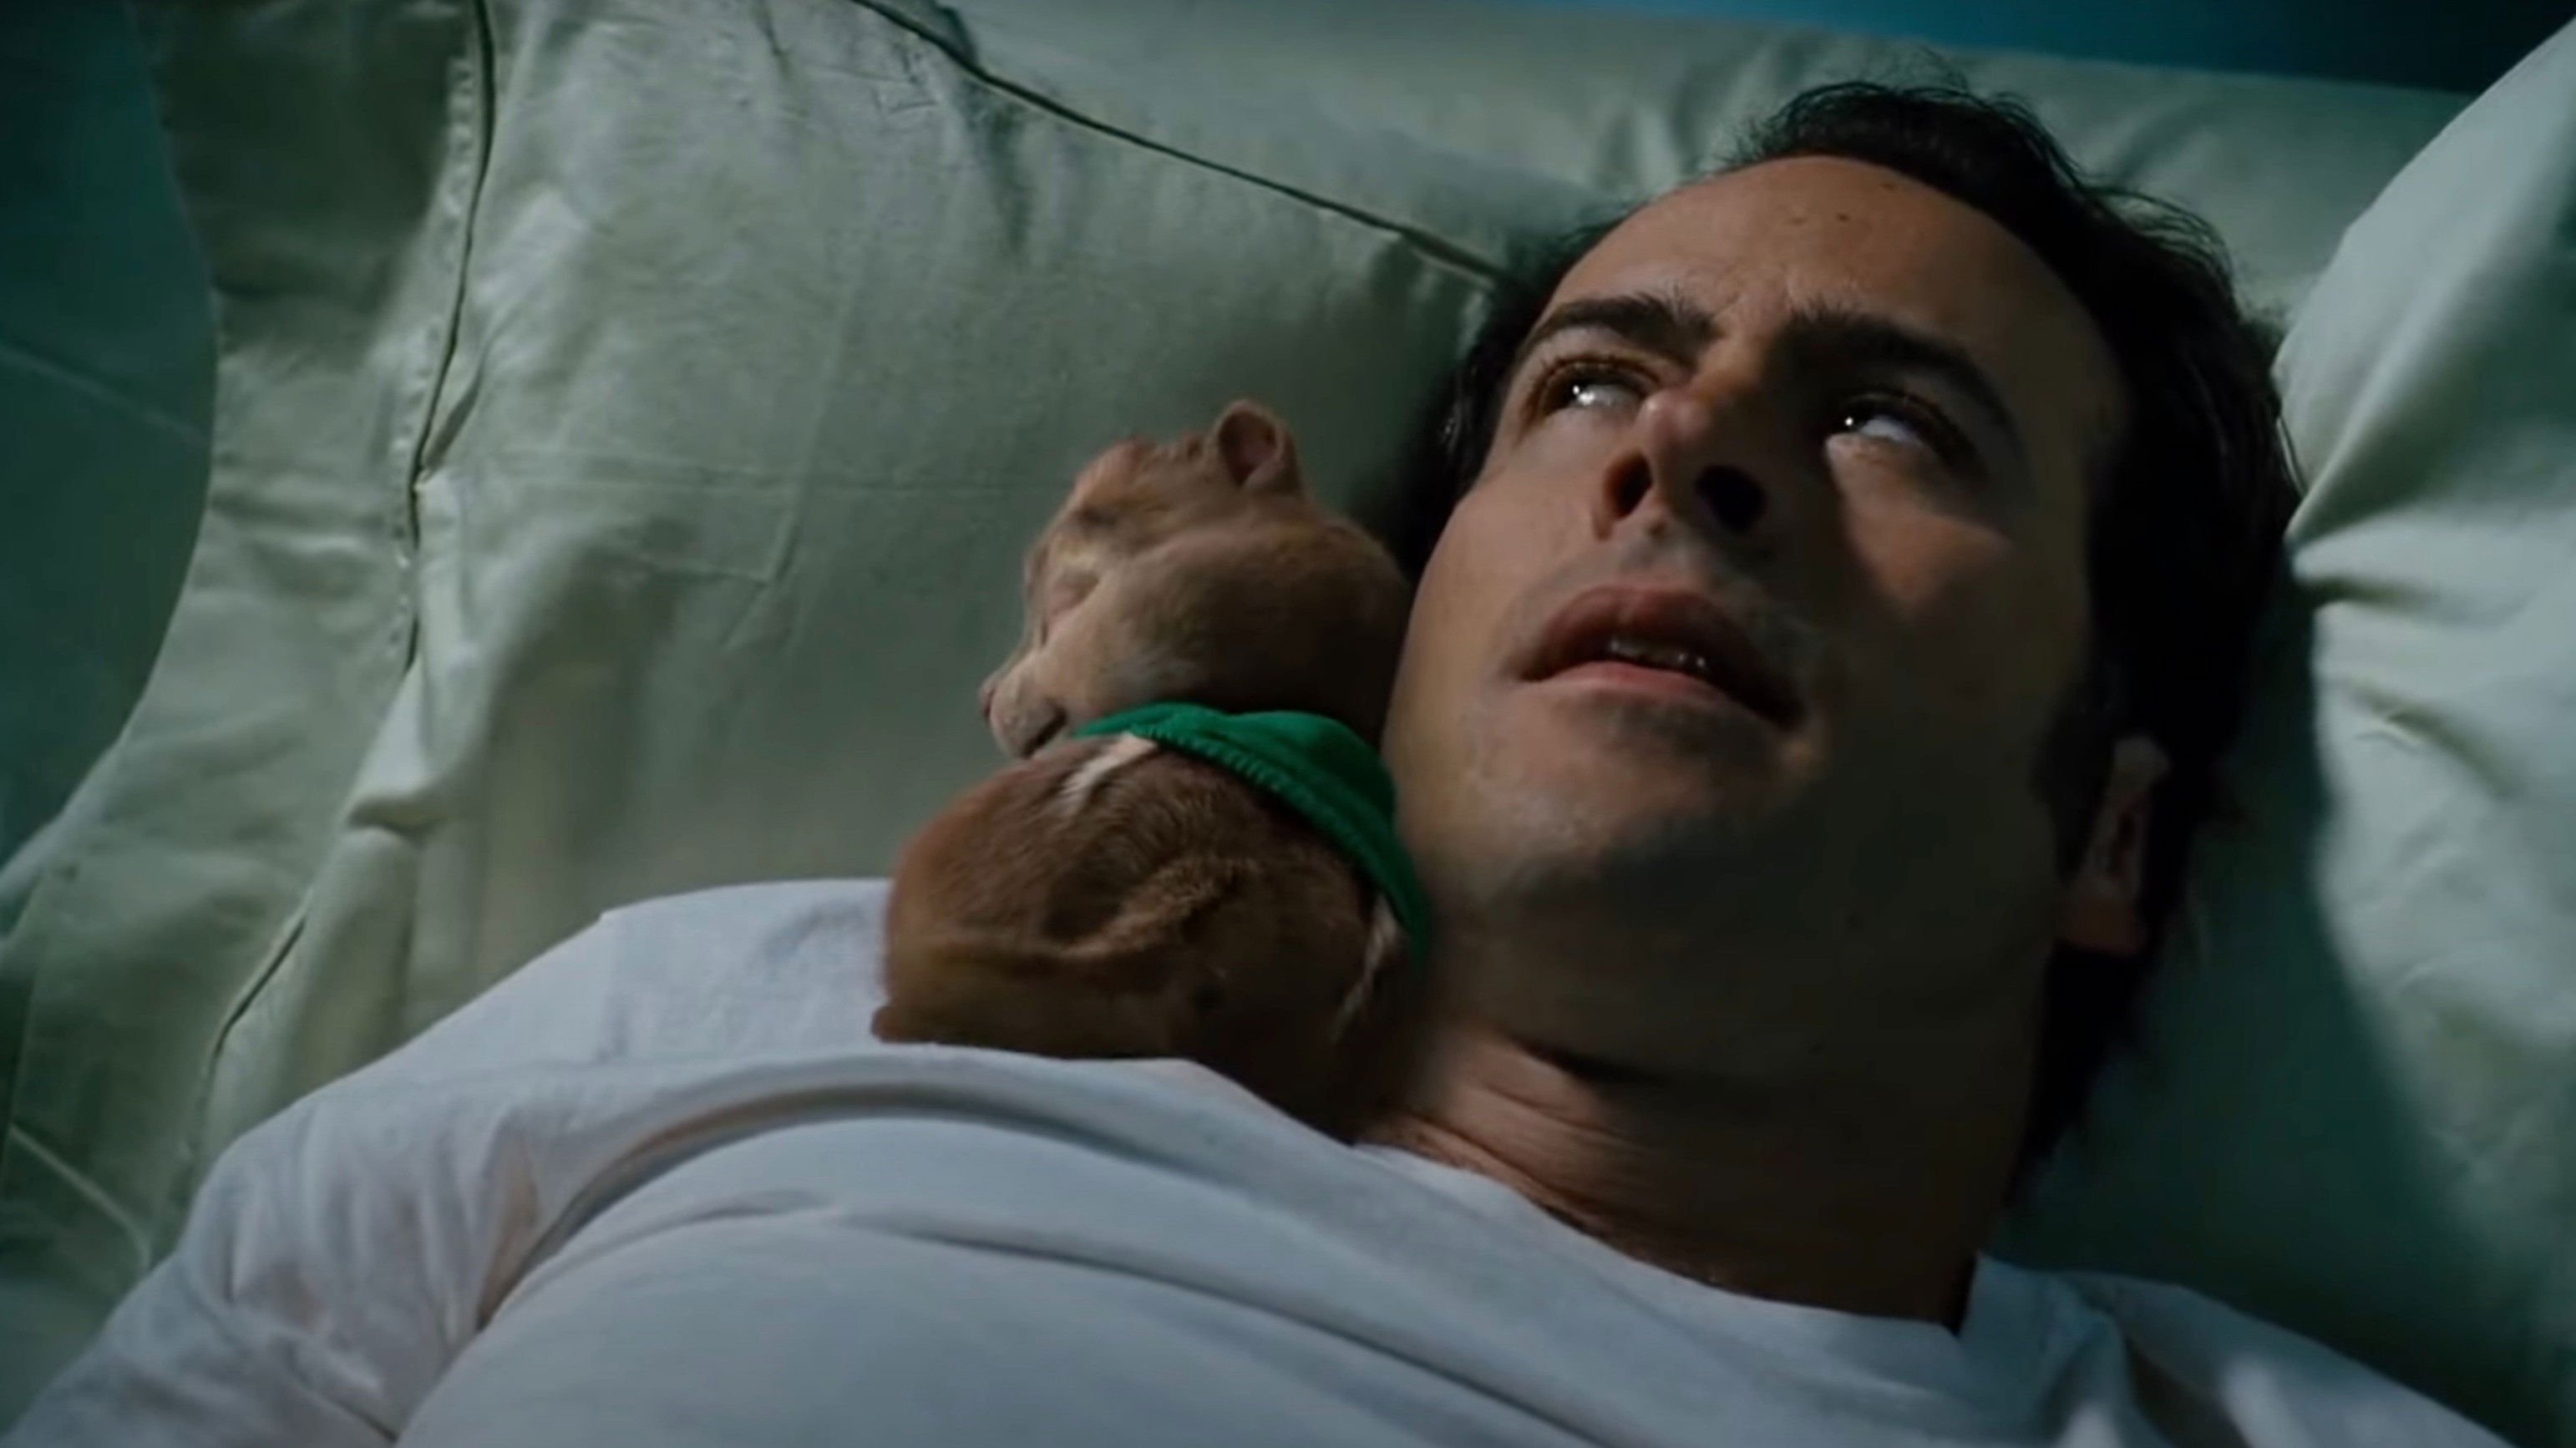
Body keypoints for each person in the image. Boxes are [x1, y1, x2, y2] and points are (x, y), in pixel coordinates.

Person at [5, 84, 2509, 1447]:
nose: (1688, 448)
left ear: (2111, 829)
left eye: (1891, 423)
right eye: (1592, 384)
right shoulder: (747, 1013)